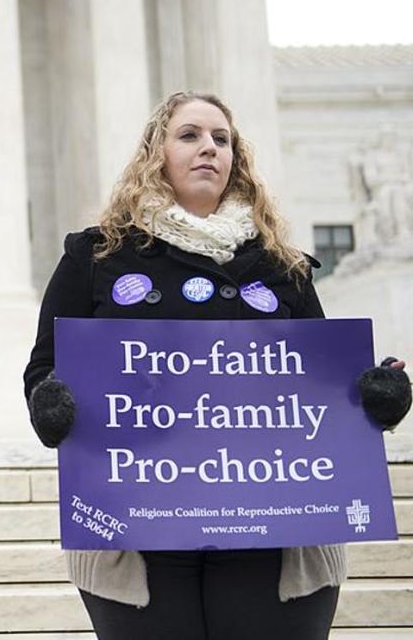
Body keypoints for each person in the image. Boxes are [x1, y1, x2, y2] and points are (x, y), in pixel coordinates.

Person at [23, 91, 411, 640]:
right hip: (140, 533)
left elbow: (324, 382)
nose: (209, 148)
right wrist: (51, 403)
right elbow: (45, 368)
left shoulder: (283, 266)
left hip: (275, 531)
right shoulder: (96, 257)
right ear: (155, 154)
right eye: (190, 135)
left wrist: (377, 393)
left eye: (221, 139)